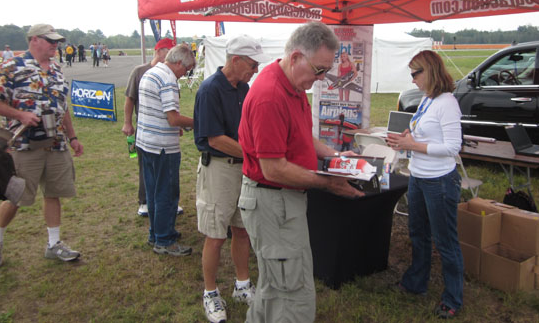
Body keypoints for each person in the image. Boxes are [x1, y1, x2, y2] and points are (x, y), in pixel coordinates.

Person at [237, 22, 363, 322]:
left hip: (280, 200)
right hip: (273, 200)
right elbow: (274, 168)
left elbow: (303, 138)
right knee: (291, 294)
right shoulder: (270, 95)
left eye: (325, 71)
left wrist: (334, 156)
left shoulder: (292, 85)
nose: (320, 79)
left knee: (274, 284)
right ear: (295, 58)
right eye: (319, 70)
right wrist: (328, 183)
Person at [0, 24, 84, 270]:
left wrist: (73, 137)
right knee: (16, 195)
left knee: (54, 193)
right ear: (34, 40)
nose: (55, 45)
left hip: (56, 144)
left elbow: (62, 107)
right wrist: (20, 115)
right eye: (50, 40)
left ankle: (54, 244)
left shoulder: (56, 68)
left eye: (57, 42)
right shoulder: (12, 67)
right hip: (24, 145)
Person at [194, 35, 269, 323]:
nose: (256, 70)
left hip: (243, 168)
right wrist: (256, 155)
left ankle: (241, 285)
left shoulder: (244, 88)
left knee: (242, 229)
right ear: (235, 60)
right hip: (220, 169)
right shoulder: (210, 90)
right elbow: (215, 138)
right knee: (215, 235)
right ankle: (211, 293)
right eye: (252, 64)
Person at [385, 49, 463, 319]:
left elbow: (453, 146)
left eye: (414, 73)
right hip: (418, 176)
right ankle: (416, 282)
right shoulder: (427, 100)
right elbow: (422, 132)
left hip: (439, 180)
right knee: (418, 233)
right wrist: (406, 137)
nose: (412, 80)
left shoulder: (447, 102)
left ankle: (453, 297)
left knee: (445, 241)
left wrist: (413, 144)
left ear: (429, 71)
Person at [135, 43, 195, 256]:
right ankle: (165, 240)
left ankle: (156, 232)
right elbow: (173, 118)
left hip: (146, 142)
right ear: (179, 63)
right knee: (167, 193)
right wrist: (198, 121)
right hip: (162, 147)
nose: (184, 74)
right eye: (186, 70)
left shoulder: (152, 72)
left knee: (152, 192)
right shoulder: (168, 79)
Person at [121, 38, 183, 217]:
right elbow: (129, 98)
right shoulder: (140, 71)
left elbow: (172, 102)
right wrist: (127, 122)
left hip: (166, 129)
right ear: (159, 51)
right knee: (146, 166)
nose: (172, 56)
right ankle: (145, 201)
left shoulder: (170, 73)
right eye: (169, 51)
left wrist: (177, 124)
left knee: (166, 169)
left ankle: (167, 202)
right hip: (146, 126)